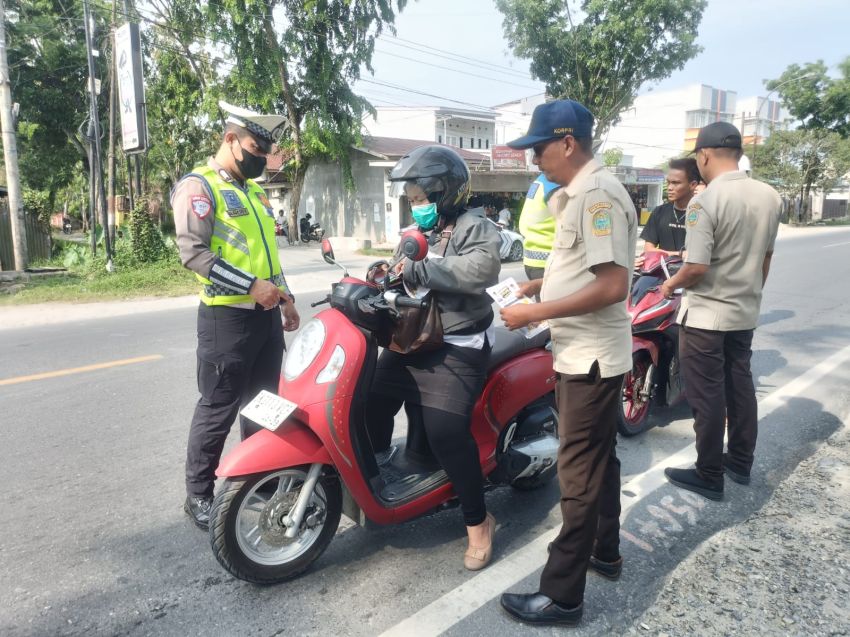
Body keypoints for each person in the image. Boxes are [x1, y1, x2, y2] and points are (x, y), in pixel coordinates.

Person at [498, 99, 637, 626]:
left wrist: (536, 310)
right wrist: (540, 283)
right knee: (600, 460)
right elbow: (583, 269)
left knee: (576, 474)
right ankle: (606, 551)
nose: (534, 158)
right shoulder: (578, 194)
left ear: (568, 143)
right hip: (585, 353)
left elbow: (611, 284)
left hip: (590, 359)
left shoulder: (596, 195)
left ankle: (562, 595)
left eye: (538, 147)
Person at [366, 145, 501, 571]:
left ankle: (479, 521)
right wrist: (378, 279)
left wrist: (422, 271)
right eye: (413, 201)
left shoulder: (474, 226)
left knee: (446, 432)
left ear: (446, 193)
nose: (417, 208)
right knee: (368, 401)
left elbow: (482, 270)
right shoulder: (416, 231)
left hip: (456, 347)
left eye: (422, 200)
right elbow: (398, 270)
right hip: (414, 341)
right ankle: (379, 476)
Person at [172, 101, 300, 530]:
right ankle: (199, 495)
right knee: (218, 407)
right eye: (254, 148)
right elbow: (194, 253)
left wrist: (286, 298)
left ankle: (260, 479)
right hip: (225, 320)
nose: (260, 158)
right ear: (230, 139)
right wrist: (249, 287)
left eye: (265, 152)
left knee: (264, 404)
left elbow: (267, 256)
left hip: (265, 319)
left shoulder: (254, 192)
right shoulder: (199, 186)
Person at [661, 122, 781, 501]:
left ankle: (709, 472)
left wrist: (668, 284)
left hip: (706, 318)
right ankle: (740, 461)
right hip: (743, 312)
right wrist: (748, 292)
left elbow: (696, 268)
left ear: (705, 155)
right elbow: (765, 258)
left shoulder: (705, 201)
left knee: (706, 395)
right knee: (740, 385)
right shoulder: (770, 196)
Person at [638, 157, 701, 263]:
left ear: (693, 185)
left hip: (692, 275)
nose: (670, 188)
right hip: (662, 275)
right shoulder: (659, 212)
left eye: (676, 183)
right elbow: (648, 250)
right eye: (668, 182)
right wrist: (679, 254)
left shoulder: (703, 214)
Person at [518, 173, 560, 281]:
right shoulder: (554, 182)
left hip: (533, 259)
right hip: (548, 261)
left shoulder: (541, 181)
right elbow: (568, 222)